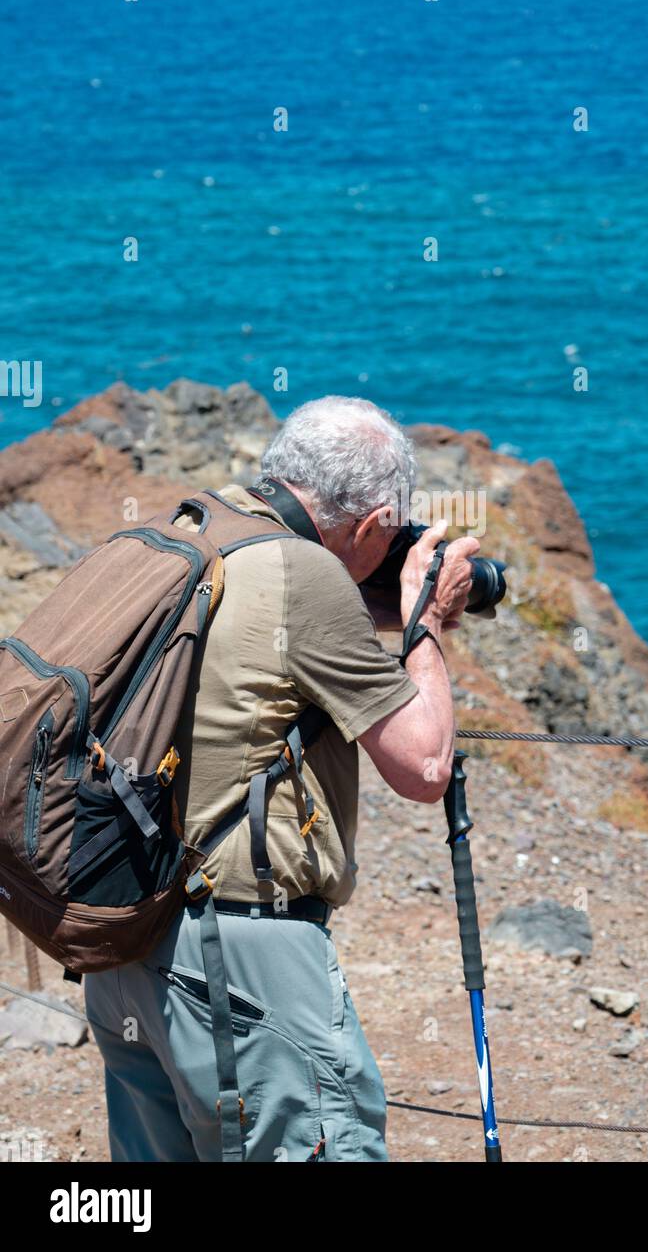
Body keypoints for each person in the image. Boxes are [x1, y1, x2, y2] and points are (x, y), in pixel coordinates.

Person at [83, 396, 478, 1162]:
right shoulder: (308, 577)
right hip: (241, 964)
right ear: (373, 524)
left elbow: (277, 631)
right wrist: (423, 618)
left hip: (127, 944)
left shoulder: (197, 529)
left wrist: (384, 609)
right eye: (390, 534)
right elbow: (426, 767)